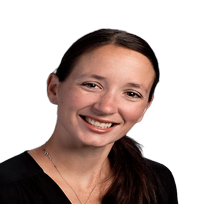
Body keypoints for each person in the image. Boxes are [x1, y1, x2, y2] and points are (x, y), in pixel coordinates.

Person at [0, 28, 178, 204]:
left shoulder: (156, 181)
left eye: (131, 94)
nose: (106, 107)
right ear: (54, 88)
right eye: (91, 85)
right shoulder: (6, 188)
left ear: (145, 108)